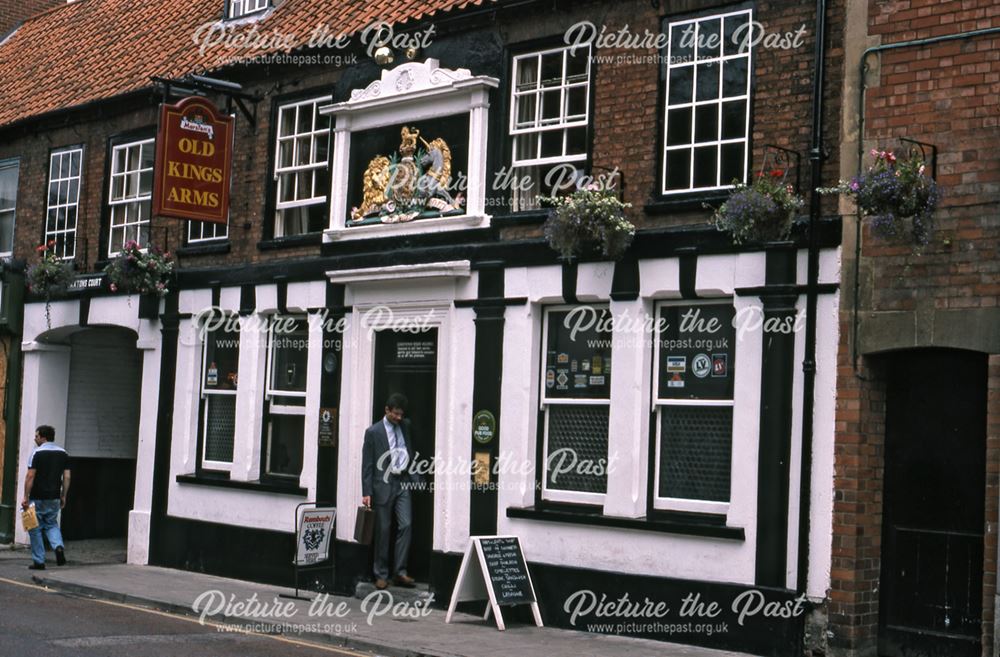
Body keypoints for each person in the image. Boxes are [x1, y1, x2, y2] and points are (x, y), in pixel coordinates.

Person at [361, 393, 418, 590]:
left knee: (406, 524)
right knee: (383, 530)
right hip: (382, 485)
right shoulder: (373, 432)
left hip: (402, 481)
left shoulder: (406, 426)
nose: (399, 418)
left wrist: (414, 476)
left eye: (401, 415)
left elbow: (410, 451)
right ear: (387, 410)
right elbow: (367, 465)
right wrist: (366, 491)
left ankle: (400, 572)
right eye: (395, 414)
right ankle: (381, 574)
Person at [21, 425, 71, 570]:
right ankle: (58, 547)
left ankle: (39, 561)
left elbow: (30, 476)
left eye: (36, 436)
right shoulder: (64, 453)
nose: (35, 439)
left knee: (34, 528)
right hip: (54, 496)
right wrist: (63, 495)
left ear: (43, 437)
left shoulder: (36, 453)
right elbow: (67, 477)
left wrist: (25, 496)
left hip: (37, 497)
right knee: (51, 524)